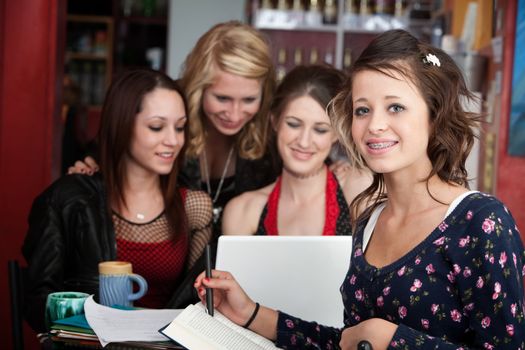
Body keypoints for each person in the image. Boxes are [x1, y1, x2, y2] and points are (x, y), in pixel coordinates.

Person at [194, 29, 525, 348]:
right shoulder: (370, 222)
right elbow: (347, 343)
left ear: (434, 116)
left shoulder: (481, 222)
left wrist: (392, 341)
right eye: (362, 110)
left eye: (395, 107)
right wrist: (250, 313)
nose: (374, 125)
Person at [22, 69, 213, 333]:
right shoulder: (69, 199)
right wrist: (98, 325)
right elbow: (37, 301)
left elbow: (198, 304)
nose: (174, 140)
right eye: (157, 127)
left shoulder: (194, 207)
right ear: (121, 125)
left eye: (180, 127)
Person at [68, 21, 281, 237]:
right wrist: (94, 166)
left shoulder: (274, 131)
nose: (235, 114)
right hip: (169, 262)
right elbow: (106, 150)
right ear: (199, 86)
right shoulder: (167, 105)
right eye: (222, 98)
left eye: (249, 100)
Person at [222, 65, 371, 236]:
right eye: (293, 124)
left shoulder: (359, 190)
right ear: (275, 121)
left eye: (320, 129)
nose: (304, 141)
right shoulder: (242, 212)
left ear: (336, 133)